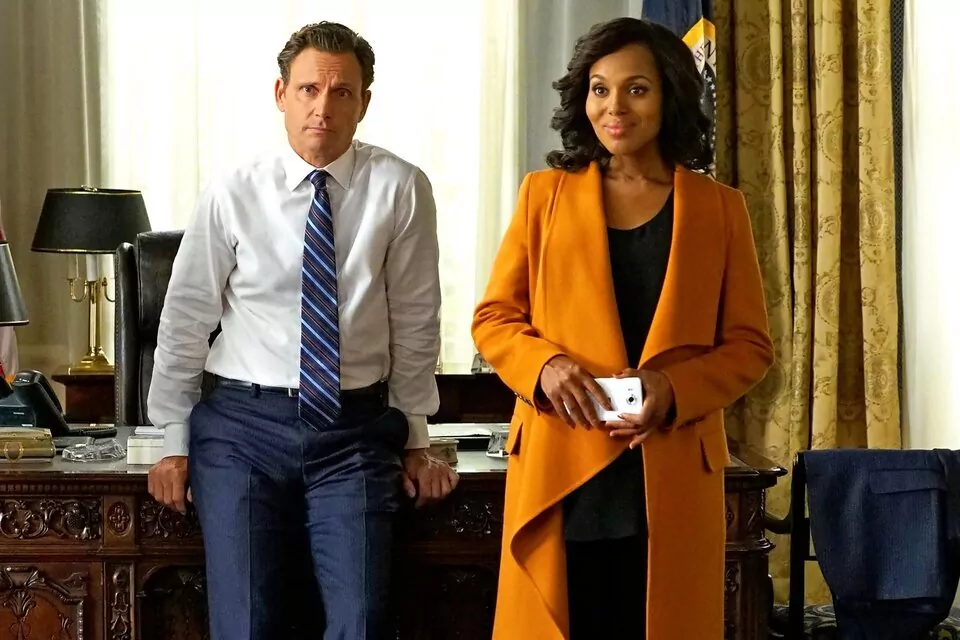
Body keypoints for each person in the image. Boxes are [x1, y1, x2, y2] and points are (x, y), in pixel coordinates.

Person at [146, 21, 459, 640]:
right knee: (247, 623)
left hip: (354, 430)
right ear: (281, 94)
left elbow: (415, 318)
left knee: (363, 621)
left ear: (364, 103)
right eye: (309, 89)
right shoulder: (233, 190)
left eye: (342, 93)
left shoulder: (400, 187)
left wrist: (417, 435)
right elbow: (186, 317)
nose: (323, 108)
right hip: (241, 430)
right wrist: (172, 440)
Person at [472, 17, 774, 639]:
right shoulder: (543, 196)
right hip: (564, 459)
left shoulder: (720, 209)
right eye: (599, 89)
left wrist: (674, 390)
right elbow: (494, 319)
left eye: (636, 89)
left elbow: (749, 346)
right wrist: (545, 367)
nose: (614, 107)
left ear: (669, 96)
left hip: (669, 464)